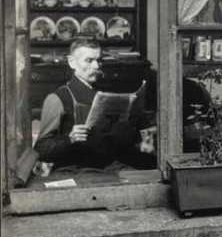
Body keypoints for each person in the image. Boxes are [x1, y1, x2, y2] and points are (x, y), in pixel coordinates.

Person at [34, 38, 155, 169]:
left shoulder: (106, 92)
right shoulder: (58, 98)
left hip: (112, 166)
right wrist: (69, 139)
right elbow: (41, 149)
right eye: (89, 60)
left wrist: (144, 136)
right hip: (77, 170)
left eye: (98, 60)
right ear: (72, 62)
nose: (97, 66)